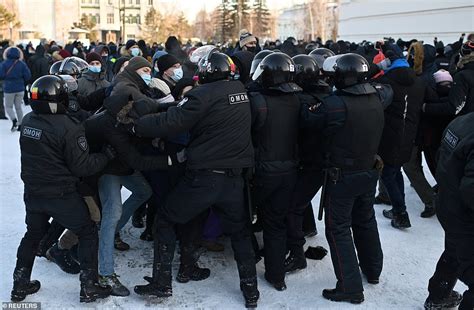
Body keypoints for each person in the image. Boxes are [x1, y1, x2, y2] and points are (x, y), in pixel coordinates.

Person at [133, 51, 259, 308]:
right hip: (235, 179)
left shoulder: (201, 95)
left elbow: (173, 121)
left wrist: (139, 125)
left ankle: (161, 283)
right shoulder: (240, 91)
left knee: (165, 220)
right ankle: (251, 291)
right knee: (241, 233)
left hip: (205, 177)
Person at [11, 75, 114, 303]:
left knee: (32, 234)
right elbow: (83, 166)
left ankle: (19, 284)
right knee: (87, 231)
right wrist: (105, 156)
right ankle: (89, 286)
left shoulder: (28, 121)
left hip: (33, 192)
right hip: (61, 193)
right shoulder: (68, 127)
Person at [303, 53, 391, 304]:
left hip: (342, 175)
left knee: (338, 229)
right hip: (369, 170)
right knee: (365, 220)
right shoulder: (377, 96)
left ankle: (350, 286)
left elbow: (309, 119)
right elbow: (388, 91)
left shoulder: (335, 104)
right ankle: (373, 270)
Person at [248, 52, 301, 291]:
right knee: (276, 223)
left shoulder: (258, 101)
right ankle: (276, 274)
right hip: (289, 169)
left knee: (246, 219)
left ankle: (249, 270)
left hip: (263, 170)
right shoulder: (297, 99)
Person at [375, 43, 432, 228]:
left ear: (388, 60)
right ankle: (399, 208)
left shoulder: (387, 80)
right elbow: (431, 102)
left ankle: (401, 213)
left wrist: (377, 68)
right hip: (409, 136)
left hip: (389, 135)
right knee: (394, 171)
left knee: (387, 174)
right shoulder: (419, 81)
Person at [285, 54, 332, 273]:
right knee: (301, 201)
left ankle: (296, 253)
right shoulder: (328, 94)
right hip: (323, 160)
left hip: (308, 160)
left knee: (292, 207)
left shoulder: (301, 100)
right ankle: (308, 227)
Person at [423, 112, 474, 310]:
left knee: (454, 250)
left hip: (448, 204)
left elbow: (440, 159)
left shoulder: (461, 121)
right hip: (465, 216)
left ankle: (439, 294)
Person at [0, 46, 31, 131]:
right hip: (20, 88)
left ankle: (14, 120)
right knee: (18, 107)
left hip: (9, 88)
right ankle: (20, 124)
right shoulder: (22, 64)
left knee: (8, 107)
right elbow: (28, 76)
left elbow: (1, 75)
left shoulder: (4, 64)